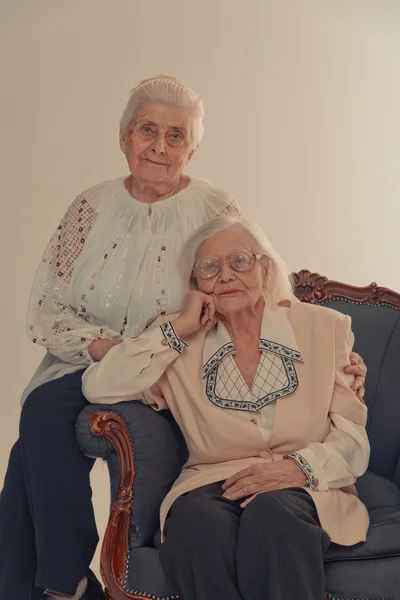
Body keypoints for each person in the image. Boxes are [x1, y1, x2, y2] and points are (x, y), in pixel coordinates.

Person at [0, 76, 366, 600]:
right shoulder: (89, 207)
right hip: (102, 359)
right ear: (124, 136)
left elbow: (257, 273)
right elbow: (44, 308)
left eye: (176, 136)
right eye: (147, 130)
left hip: (180, 362)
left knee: (29, 448)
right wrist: (107, 346)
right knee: (37, 425)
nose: (159, 146)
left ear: (192, 148)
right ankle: (66, 580)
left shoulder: (216, 208)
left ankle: (53, 586)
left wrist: (331, 359)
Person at [82, 215, 370, 600]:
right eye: (209, 267)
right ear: (195, 283)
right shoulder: (177, 340)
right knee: (198, 525)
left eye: (240, 260)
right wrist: (177, 330)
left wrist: (298, 468)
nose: (226, 276)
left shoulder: (324, 327)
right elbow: (97, 385)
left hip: (307, 481)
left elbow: (352, 439)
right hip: (207, 482)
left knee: (274, 516)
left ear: (264, 269)